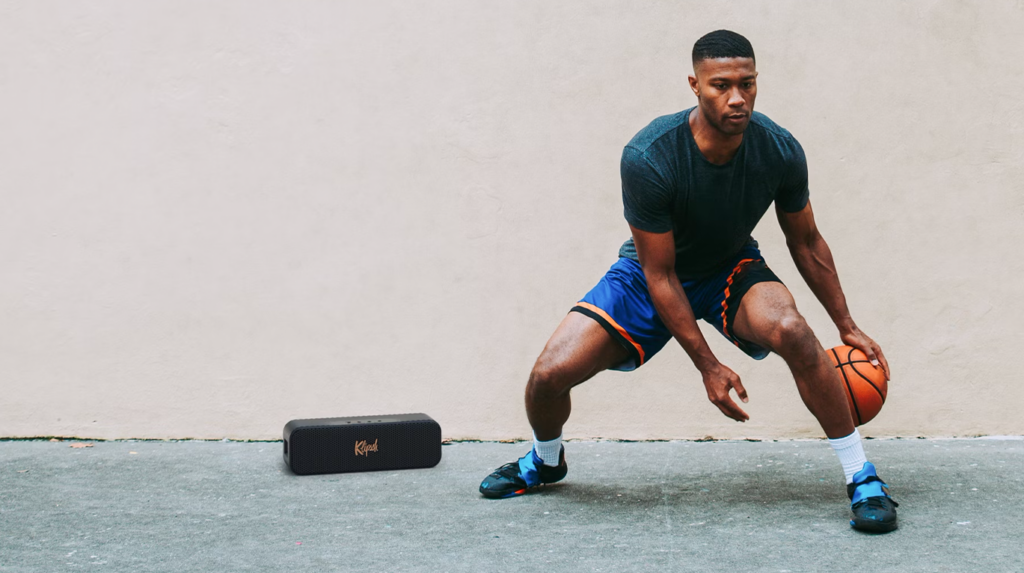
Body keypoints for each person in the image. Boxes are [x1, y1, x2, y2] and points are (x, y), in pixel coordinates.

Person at [478, 29, 899, 533]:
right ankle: (545, 461)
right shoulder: (650, 156)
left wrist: (846, 325)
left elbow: (806, 242)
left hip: (730, 267)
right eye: (721, 85)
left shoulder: (779, 149)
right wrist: (708, 364)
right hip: (648, 275)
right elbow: (660, 273)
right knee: (548, 376)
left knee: (793, 331)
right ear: (695, 86)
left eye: (747, 83)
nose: (737, 97)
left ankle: (861, 476)